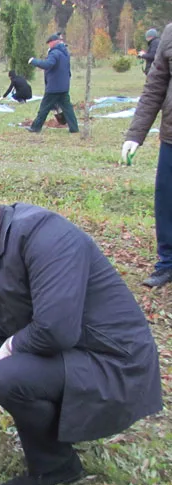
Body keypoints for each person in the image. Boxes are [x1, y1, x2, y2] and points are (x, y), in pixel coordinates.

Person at [0, 184, 163, 485]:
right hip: (64, 352)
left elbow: (57, 329)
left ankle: (55, 467)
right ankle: (54, 426)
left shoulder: (47, 238)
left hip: (112, 361)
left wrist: (10, 348)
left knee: (11, 375)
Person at [122, 23, 172, 287]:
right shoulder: (170, 33)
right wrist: (135, 134)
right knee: (166, 203)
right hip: (171, 139)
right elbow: (155, 86)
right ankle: (167, 263)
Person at [26, 34, 78, 133]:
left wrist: (34, 61)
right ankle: (74, 128)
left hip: (54, 87)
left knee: (44, 108)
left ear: (54, 42)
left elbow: (47, 65)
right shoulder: (65, 53)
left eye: (49, 43)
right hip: (63, 86)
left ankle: (35, 128)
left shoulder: (55, 53)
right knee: (68, 109)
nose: (49, 46)